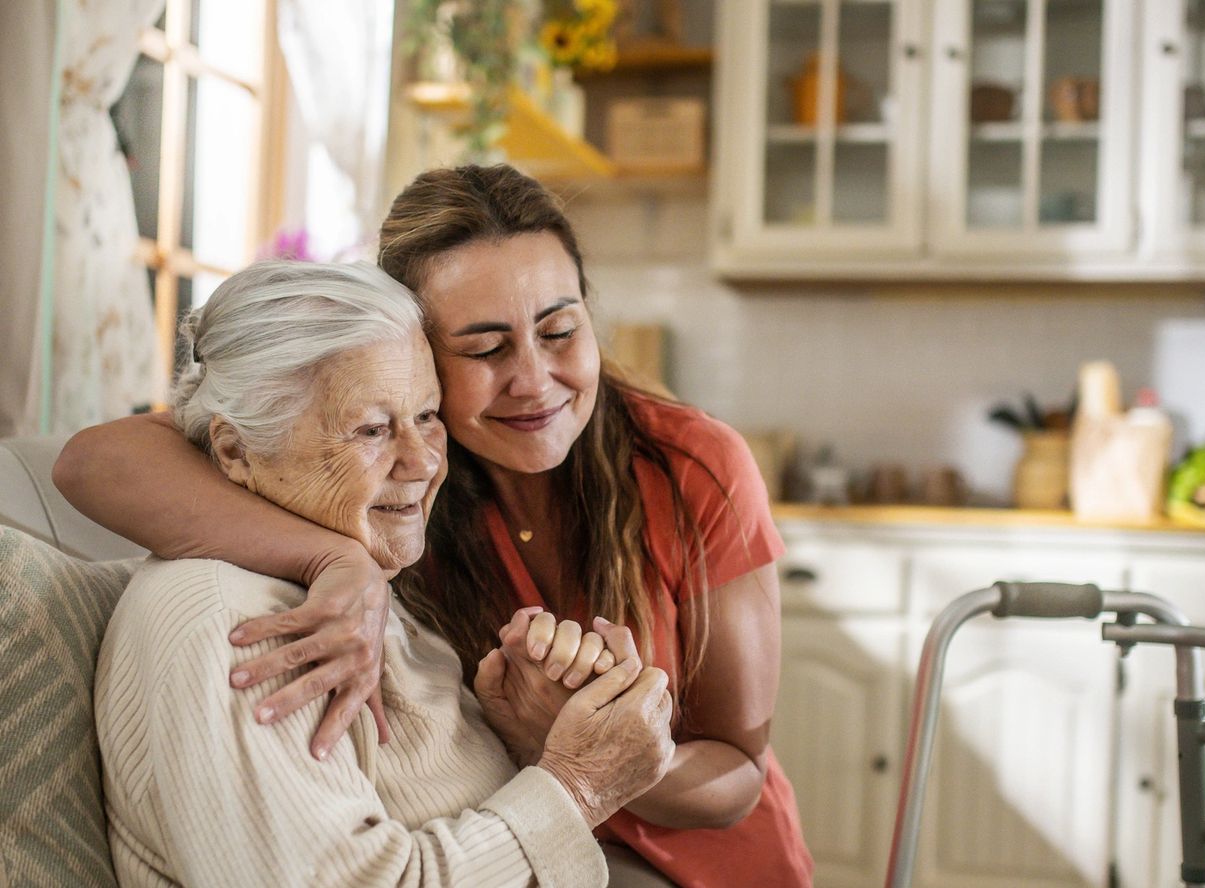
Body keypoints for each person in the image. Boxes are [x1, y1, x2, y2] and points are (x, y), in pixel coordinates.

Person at [58, 165, 814, 887]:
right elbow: (97, 461)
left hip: (711, 862)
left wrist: (600, 750)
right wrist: (334, 560)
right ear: (416, 350)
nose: (533, 379)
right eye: (483, 349)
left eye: (559, 330)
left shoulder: (685, 463)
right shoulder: (377, 505)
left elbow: (738, 774)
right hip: (559, 841)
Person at [93, 260, 674, 887]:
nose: (422, 460)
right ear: (236, 450)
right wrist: (577, 785)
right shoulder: (239, 630)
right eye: (371, 430)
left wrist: (522, 740)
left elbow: (419, 812)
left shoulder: (349, 581)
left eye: (427, 415)